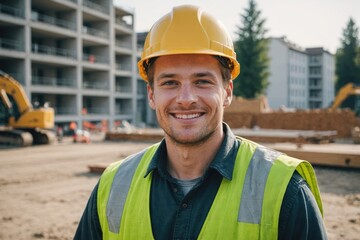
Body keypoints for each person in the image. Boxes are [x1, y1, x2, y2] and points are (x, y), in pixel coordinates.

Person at [74, 5, 327, 240]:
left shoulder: (286, 190)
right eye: (170, 82)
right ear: (151, 95)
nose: (185, 99)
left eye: (202, 81)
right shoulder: (112, 185)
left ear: (227, 92)